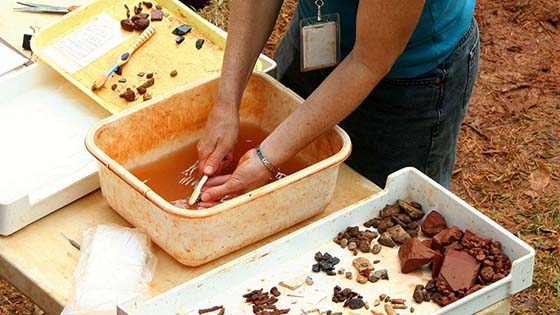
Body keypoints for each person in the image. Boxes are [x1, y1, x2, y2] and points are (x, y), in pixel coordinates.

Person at [196, 0, 480, 204]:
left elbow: (369, 61)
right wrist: (226, 103)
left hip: (408, 80)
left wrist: (266, 159)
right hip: (319, 30)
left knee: (387, 214)